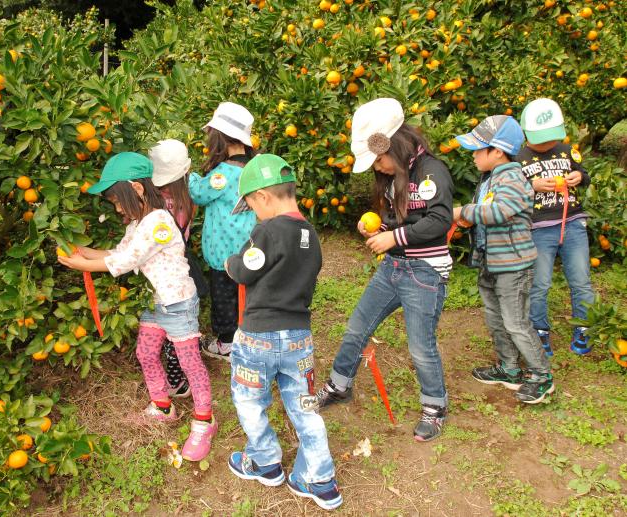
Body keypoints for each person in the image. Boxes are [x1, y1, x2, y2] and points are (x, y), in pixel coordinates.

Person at [57, 152, 216, 461]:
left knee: (190, 363)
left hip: (177, 304)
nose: (117, 208)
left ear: (138, 189)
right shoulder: (138, 223)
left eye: (118, 200)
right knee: (145, 352)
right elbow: (118, 251)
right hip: (155, 302)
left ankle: (205, 418)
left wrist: (82, 265)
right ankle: (162, 406)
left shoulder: (158, 222)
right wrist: (83, 252)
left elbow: (126, 261)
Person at [313, 98, 453, 443]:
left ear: (397, 145)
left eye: (379, 158)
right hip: (393, 268)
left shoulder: (433, 172)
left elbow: (438, 221)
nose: (378, 167)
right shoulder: (396, 179)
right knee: (357, 327)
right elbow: (400, 220)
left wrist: (394, 236)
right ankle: (339, 385)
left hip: (425, 272)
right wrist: (379, 229)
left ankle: (435, 407)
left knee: (421, 345)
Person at [225, 153, 342, 511]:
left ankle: (265, 462)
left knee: (250, 401)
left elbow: (243, 270)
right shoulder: (311, 234)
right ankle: (318, 478)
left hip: (258, 336)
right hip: (298, 338)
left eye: (250, 206)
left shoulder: (267, 230)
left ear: (262, 197)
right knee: (306, 405)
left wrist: (231, 262)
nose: (253, 214)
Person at [453, 115, 555, 404]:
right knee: (496, 318)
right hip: (491, 261)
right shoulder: (490, 178)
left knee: (516, 322)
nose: (473, 155)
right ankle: (508, 368)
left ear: (497, 151)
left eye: (478, 149)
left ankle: (541, 375)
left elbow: (501, 211)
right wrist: (469, 221)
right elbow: (488, 213)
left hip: (513, 265)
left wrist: (463, 212)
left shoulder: (512, 176)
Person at [518, 98, 595, 356]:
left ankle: (584, 327)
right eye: (543, 139)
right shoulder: (519, 158)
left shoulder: (566, 150)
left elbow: (584, 173)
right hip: (539, 228)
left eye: (552, 138)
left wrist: (579, 177)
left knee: (581, 280)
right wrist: (533, 187)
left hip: (572, 223)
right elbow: (510, 191)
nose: (549, 144)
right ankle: (540, 331)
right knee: (539, 283)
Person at [189, 102, 257, 361]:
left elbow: (198, 193)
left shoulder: (222, 174)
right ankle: (248, 333)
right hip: (249, 246)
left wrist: (192, 176)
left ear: (220, 138)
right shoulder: (253, 167)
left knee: (224, 297)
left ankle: (227, 343)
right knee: (246, 293)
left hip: (223, 252)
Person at [149, 139, 207, 399]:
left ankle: (176, 381)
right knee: (178, 328)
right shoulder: (187, 198)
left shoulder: (153, 202)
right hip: (180, 263)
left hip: (159, 268)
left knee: (165, 321)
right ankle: (177, 377)